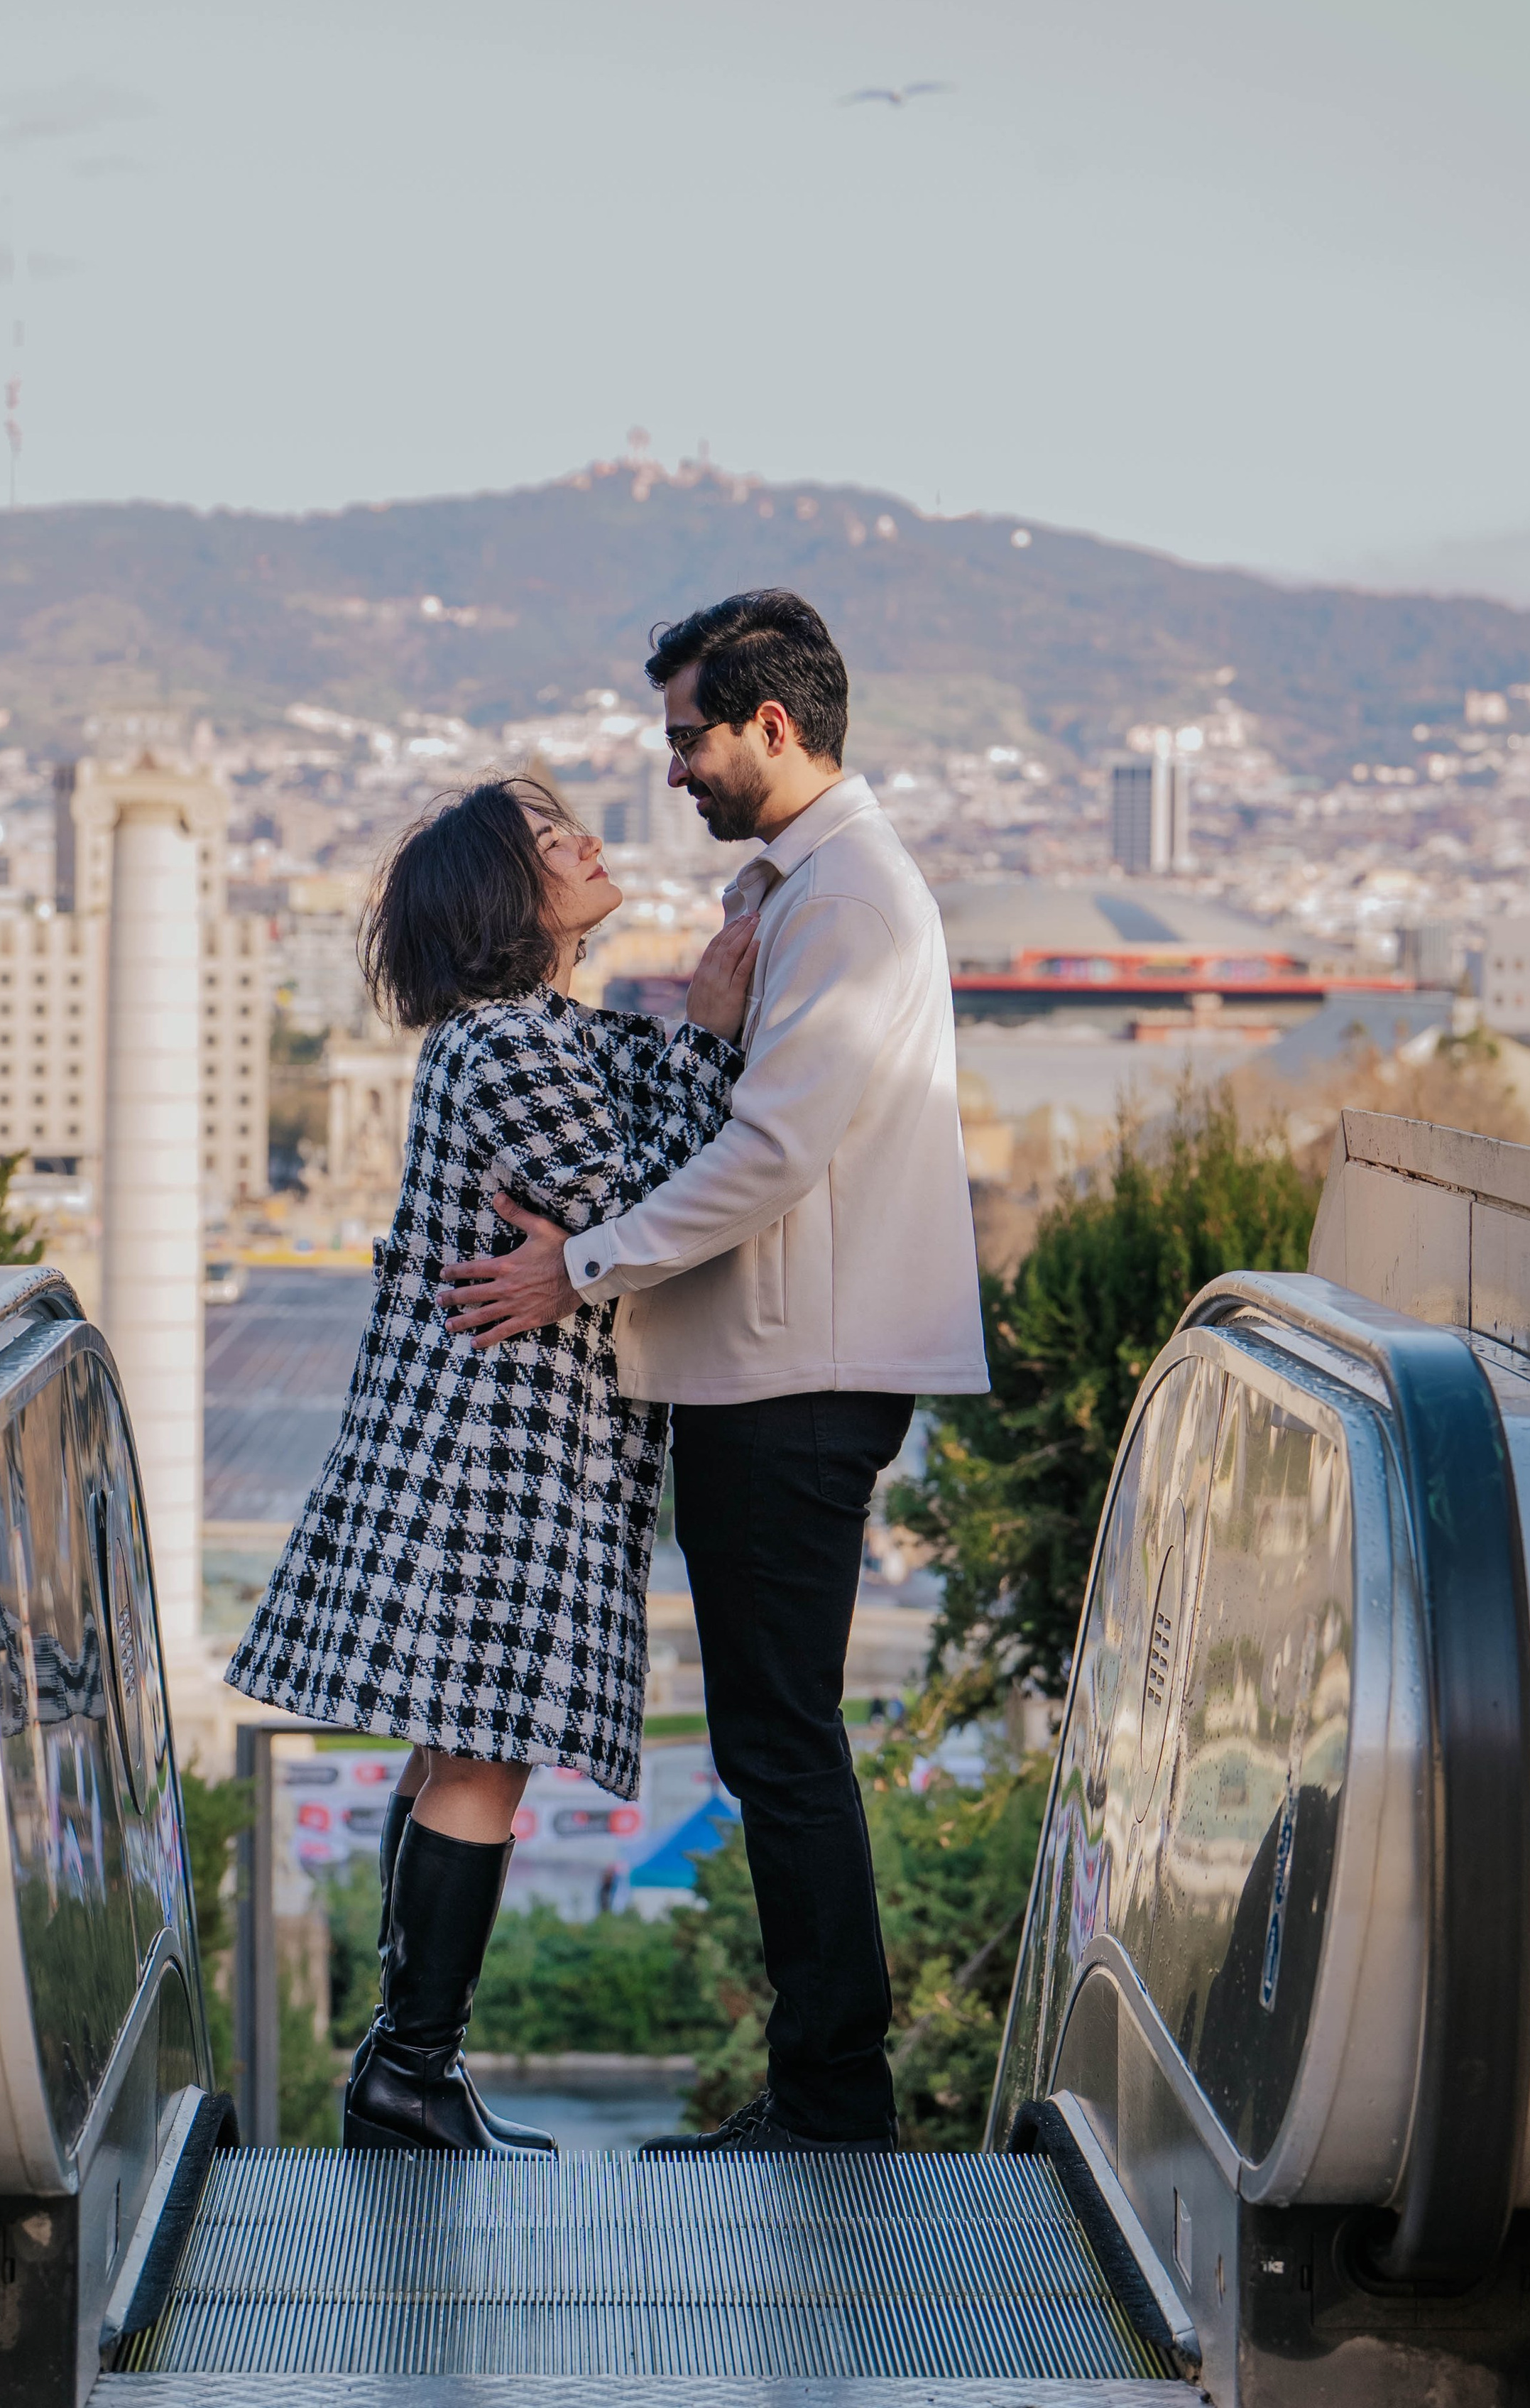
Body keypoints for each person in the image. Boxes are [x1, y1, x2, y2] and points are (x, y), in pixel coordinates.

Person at [438, 590, 989, 2154]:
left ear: (769, 724)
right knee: (774, 1735)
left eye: (687, 736)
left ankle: (829, 2102)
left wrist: (579, 1262)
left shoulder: (848, 902)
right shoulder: (804, 890)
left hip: (791, 1372)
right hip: (769, 1362)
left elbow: (770, 1150)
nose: (669, 768)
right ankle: (822, 2091)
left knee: (778, 1740)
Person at [226, 774, 758, 2154]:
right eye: (548, 843)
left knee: (450, 1754)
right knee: (481, 1764)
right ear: (499, 900)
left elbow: (631, 1140)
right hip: (498, 1460)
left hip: (484, 1447)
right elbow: (641, 1206)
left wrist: (689, 1035)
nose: (587, 841)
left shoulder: (528, 1035)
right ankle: (409, 2073)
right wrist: (706, 1032)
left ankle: (407, 2073)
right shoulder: (510, 1050)